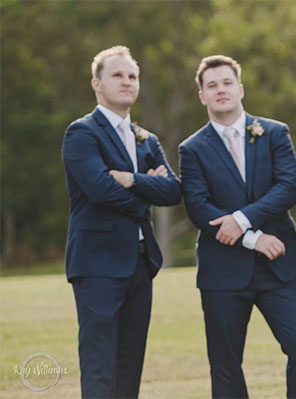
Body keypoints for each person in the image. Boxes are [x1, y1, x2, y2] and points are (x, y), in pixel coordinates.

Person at [178, 55, 296, 398]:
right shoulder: (192, 149)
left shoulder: (273, 132)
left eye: (226, 83)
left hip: (277, 267)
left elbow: (287, 188)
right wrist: (252, 238)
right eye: (211, 85)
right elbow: (198, 208)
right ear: (202, 96)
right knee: (225, 365)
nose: (220, 90)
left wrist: (241, 220)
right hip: (222, 272)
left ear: (240, 89)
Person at [61, 45, 181, 398]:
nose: (127, 81)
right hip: (97, 263)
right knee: (100, 366)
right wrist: (149, 186)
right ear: (97, 83)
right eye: (117, 75)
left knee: (130, 365)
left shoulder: (147, 139)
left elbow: (173, 192)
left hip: (140, 265)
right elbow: (99, 189)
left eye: (132, 76)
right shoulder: (81, 133)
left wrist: (131, 179)